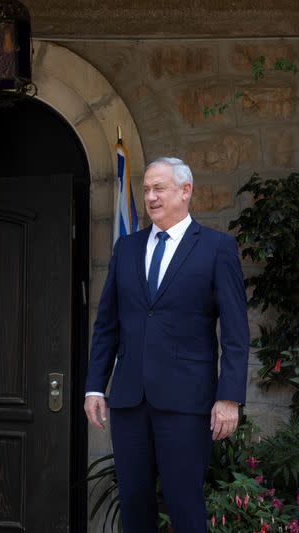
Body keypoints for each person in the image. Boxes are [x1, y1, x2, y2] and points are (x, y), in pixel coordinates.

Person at [84, 157, 249, 533]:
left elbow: (237, 332)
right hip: (129, 401)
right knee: (135, 504)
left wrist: (229, 397)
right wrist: (95, 385)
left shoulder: (216, 248)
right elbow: (107, 325)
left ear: (185, 191)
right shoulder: (126, 248)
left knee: (184, 504)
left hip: (187, 402)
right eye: (146, 190)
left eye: (160, 188)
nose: (151, 197)